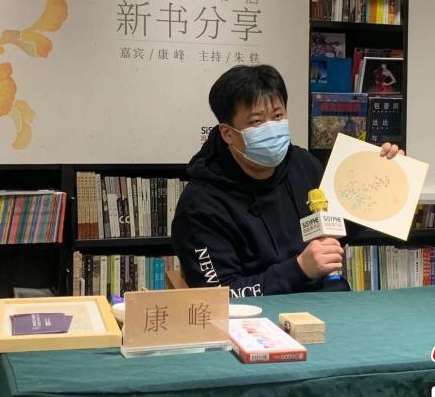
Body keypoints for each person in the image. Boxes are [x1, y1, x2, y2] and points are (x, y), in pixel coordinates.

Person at [171, 65, 402, 297]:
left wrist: (380, 178)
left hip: (331, 301)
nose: (271, 128)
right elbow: (219, 296)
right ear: (227, 133)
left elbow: (337, 230)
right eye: (256, 121)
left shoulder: (303, 164)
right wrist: (299, 269)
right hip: (262, 314)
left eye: (278, 116)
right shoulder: (200, 206)